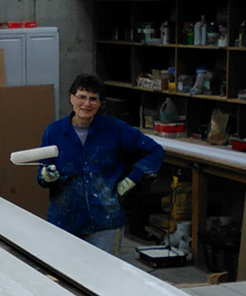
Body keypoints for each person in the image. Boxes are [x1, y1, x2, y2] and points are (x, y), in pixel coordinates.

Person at [37, 74, 163, 254]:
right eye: (81, 97)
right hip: (65, 220)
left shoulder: (115, 129)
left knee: (104, 270)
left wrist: (132, 179)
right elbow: (42, 174)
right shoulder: (54, 132)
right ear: (71, 98)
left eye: (93, 99)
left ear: (100, 103)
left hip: (105, 220)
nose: (87, 104)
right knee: (64, 268)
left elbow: (155, 151)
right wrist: (46, 176)